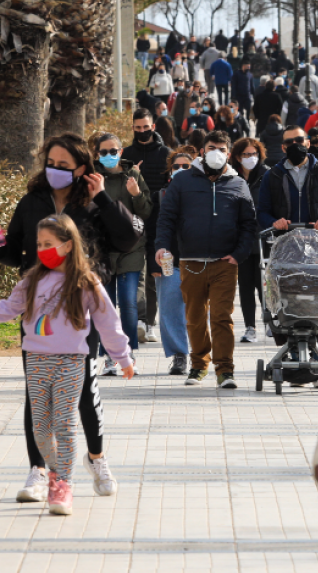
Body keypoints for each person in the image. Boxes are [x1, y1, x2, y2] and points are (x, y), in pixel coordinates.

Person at [0, 134, 140, 504]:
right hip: (38, 312)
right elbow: (17, 252)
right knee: (36, 393)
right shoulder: (32, 202)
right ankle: (38, 470)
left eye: (64, 165)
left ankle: (97, 458)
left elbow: (128, 239)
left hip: (79, 310)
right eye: (51, 163)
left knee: (85, 388)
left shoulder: (94, 202)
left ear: (82, 168)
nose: (54, 170)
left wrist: (103, 197)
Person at [0, 216, 133, 516]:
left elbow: (108, 322)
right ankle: (56, 470)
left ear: (68, 245)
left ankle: (63, 484)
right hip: (36, 361)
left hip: (71, 362)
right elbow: (6, 310)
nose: (42, 249)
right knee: (41, 429)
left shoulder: (86, 281)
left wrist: (122, 357)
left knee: (65, 424)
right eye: (39, 244)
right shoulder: (32, 280)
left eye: (49, 244)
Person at [154, 131, 257, 387]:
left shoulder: (238, 183)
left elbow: (249, 223)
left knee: (222, 317)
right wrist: (162, 246)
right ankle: (198, 365)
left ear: (228, 154)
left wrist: (239, 254)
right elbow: (167, 217)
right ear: (202, 151)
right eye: (211, 148)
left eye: (221, 149)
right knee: (195, 318)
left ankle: (225, 370)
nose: (216, 153)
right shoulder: (182, 181)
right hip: (191, 261)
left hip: (224, 263)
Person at [92, 133, 151, 376]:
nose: (109, 156)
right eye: (104, 152)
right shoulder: (93, 177)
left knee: (128, 303)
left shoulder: (133, 174)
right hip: (102, 251)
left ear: (121, 152)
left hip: (130, 248)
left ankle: (128, 355)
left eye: (113, 151)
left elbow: (146, 212)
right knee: (104, 306)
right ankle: (108, 356)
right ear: (97, 154)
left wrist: (136, 194)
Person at [123, 109, 173, 342]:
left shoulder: (165, 154)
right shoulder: (126, 154)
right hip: (133, 220)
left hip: (158, 220)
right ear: (133, 128)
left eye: (146, 127)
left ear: (153, 127)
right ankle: (139, 320)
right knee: (135, 273)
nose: (142, 131)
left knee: (154, 274)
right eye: (138, 128)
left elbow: (170, 186)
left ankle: (150, 323)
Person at [144, 148, 194, 375]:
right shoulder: (161, 196)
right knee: (170, 310)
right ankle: (179, 355)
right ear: (169, 170)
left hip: (198, 260)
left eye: (186, 166)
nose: (181, 170)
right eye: (176, 166)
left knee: (198, 311)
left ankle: (200, 353)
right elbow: (152, 231)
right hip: (168, 262)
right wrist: (153, 262)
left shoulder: (203, 194)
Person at [256, 126, 318, 237]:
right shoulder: (272, 176)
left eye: (299, 140)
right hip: (284, 242)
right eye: (289, 142)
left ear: (308, 143)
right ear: (283, 148)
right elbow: (262, 212)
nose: (295, 145)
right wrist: (273, 222)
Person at [231, 137, 269, 343]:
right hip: (241, 239)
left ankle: (270, 322)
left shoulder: (268, 175)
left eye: (253, 154)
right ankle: (250, 327)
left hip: (264, 237)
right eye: (246, 154)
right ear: (238, 157)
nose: (250, 158)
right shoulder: (231, 176)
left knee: (264, 284)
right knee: (245, 285)